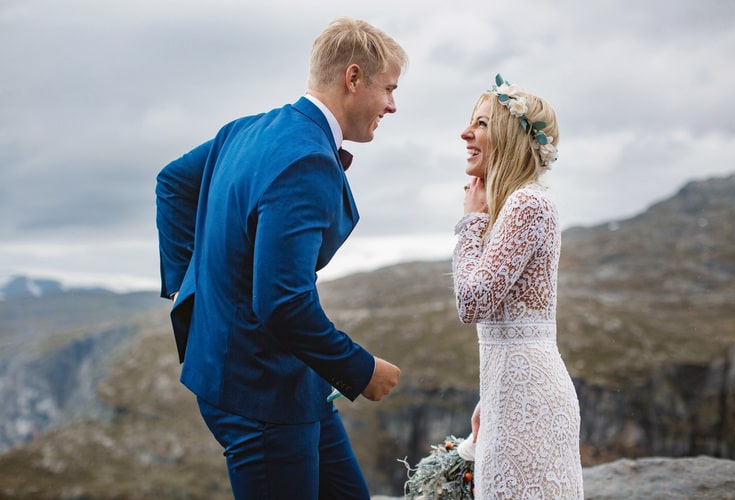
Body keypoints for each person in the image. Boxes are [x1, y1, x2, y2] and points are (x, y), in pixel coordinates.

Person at [155, 17, 408, 500]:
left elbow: (173, 182)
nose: (393, 106)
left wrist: (196, 283)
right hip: (261, 394)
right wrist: (360, 370)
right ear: (352, 78)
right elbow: (282, 303)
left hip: (293, 382)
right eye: (389, 89)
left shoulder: (245, 131)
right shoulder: (306, 158)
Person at [452, 74, 584, 498]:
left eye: (482, 124)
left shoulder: (529, 202)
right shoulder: (514, 206)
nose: (466, 133)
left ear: (509, 137)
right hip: (508, 396)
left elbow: (473, 302)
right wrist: (489, 397)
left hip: (531, 403)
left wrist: (471, 221)